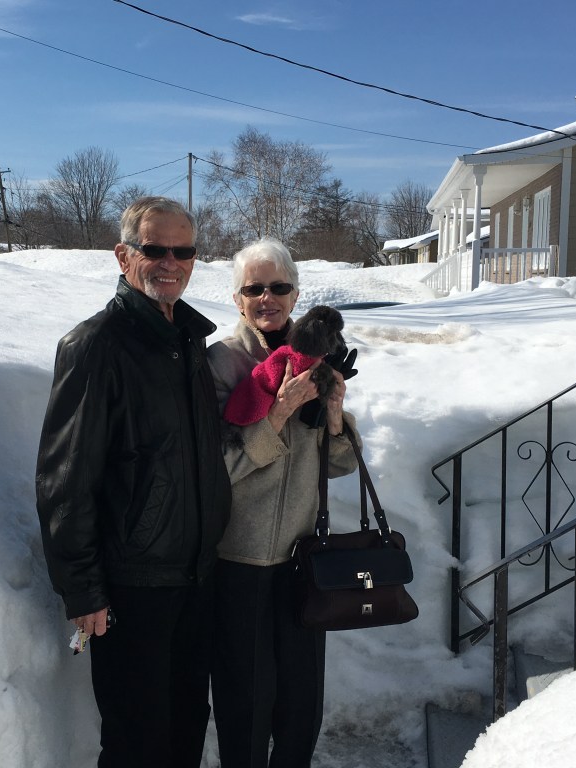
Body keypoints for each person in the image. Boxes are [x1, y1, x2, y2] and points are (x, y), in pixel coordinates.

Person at [35, 196, 231, 768]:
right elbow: (65, 476)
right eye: (154, 249)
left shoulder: (188, 341)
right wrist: (83, 589)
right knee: (135, 742)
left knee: (186, 727)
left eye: (183, 250)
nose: (170, 261)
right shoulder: (96, 346)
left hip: (196, 576)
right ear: (124, 256)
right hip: (133, 587)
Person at [207, 237, 358, 767]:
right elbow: (218, 469)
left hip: (302, 558)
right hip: (238, 560)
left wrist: (335, 414)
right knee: (245, 696)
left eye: (278, 287)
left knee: (301, 699)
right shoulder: (222, 365)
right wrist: (277, 412)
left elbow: (339, 464)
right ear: (236, 298)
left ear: (296, 295)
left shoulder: (317, 356)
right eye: (254, 288)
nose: (266, 297)